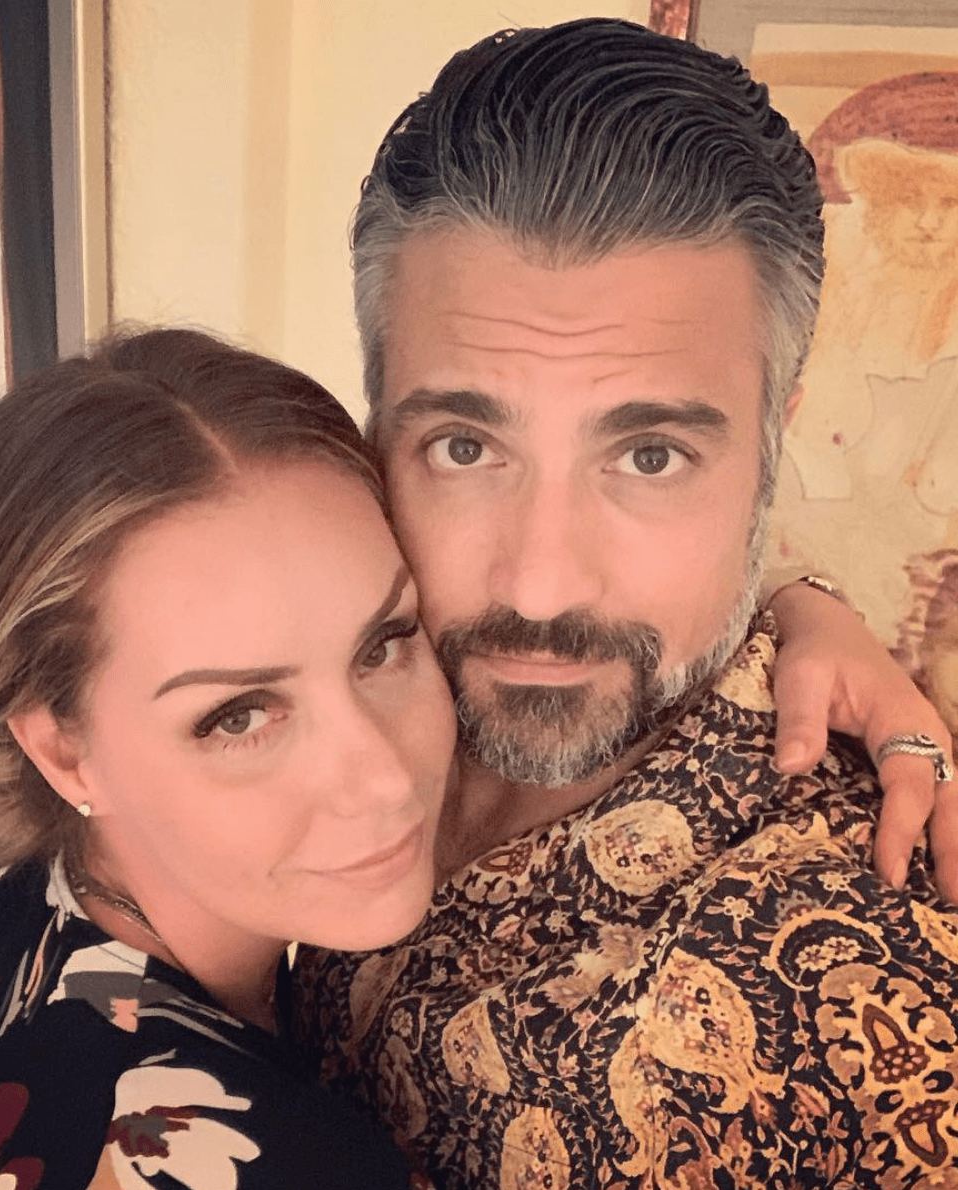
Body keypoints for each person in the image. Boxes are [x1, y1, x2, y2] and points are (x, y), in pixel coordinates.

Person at [295, 19, 958, 1188]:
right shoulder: (331, 690)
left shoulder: (860, 985)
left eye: (649, 455)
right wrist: (802, 595)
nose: (540, 584)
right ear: (374, 434)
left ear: (770, 445)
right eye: (465, 446)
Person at [0, 328, 457, 1189]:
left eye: (385, 644)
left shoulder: (21, 878)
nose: (383, 778)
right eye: (238, 717)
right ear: (63, 751)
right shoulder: (277, 1165)